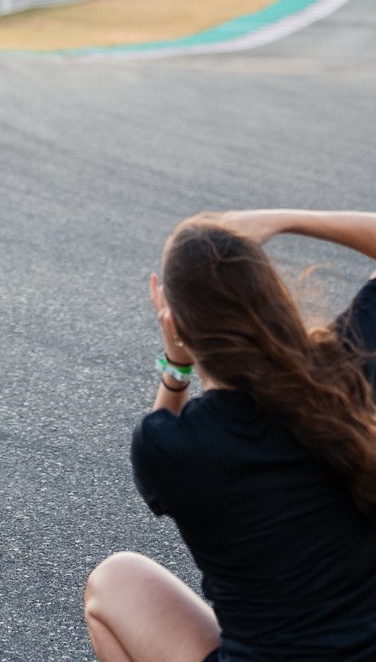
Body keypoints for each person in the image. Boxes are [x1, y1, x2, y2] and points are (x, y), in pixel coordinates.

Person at [84, 209, 376, 662]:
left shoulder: (177, 445)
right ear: (271, 296)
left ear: (173, 321)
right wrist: (282, 220)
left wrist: (176, 368)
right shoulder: (342, 369)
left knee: (114, 580)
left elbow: (156, 458)